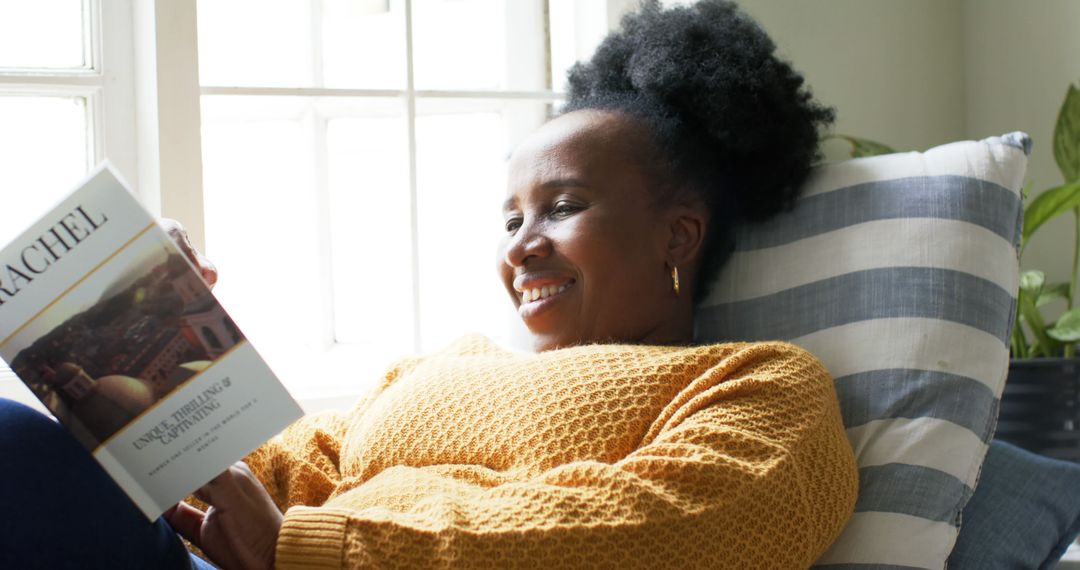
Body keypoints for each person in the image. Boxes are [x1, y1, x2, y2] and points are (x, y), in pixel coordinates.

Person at [0, 1, 858, 568]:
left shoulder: (758, 384)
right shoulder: (432, 373)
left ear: (680, 232)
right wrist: (155, 356)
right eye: (511, 218)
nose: (523, 245)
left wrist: (310, 549)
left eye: (562, 207)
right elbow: (256, 484)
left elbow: (678, 528)